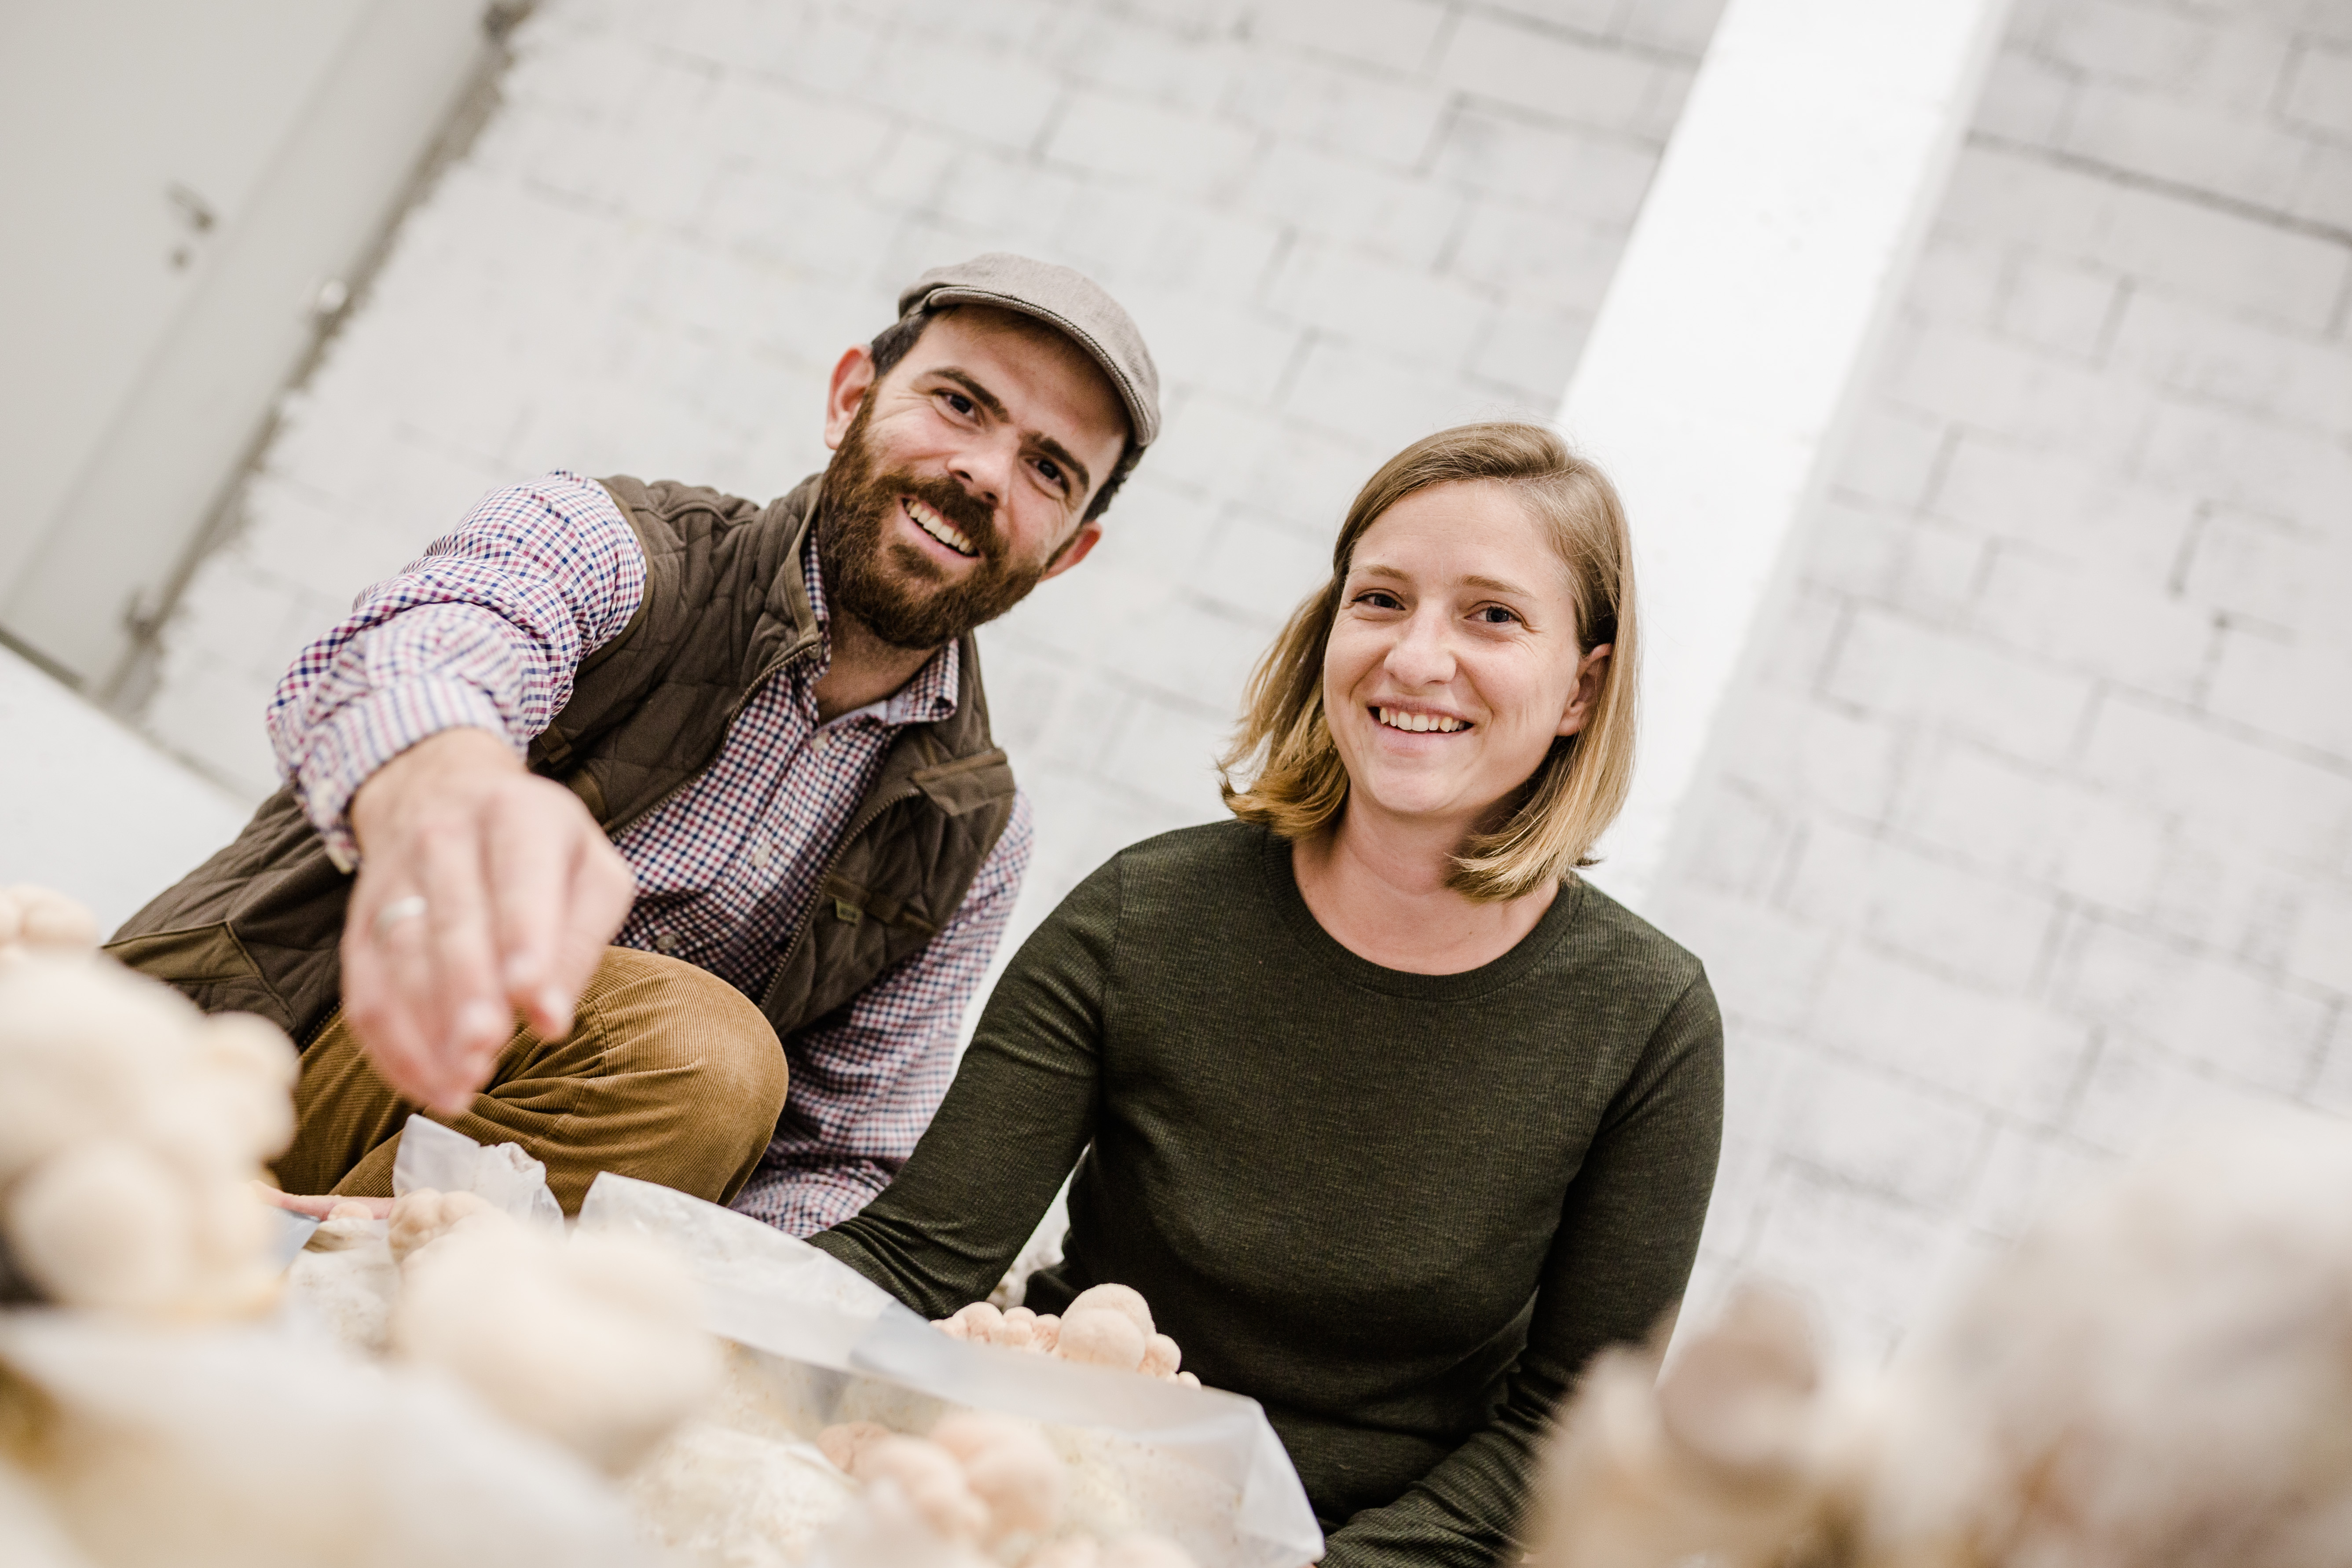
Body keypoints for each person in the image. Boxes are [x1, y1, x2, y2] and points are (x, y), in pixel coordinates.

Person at [810, 421, 1724, 1568]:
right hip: (1061, 1489)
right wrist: (690, 1319)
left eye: (1490, 615)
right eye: (1381, 599)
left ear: (1582, 686)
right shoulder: (1147, 911)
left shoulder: (1647, 1021)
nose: (1415, 657)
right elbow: (916, 1256)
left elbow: (1563, 1433)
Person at [108, 254, 1160, 1232]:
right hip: (252, 1059)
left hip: (509, 1224)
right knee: (707, 1052)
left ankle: (350, 1296)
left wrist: (664, 1294)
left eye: (1049, 470)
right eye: (960, 403)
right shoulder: (616, 547)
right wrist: (450, 787)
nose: (983, 472)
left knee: (710, 1071)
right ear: (851, 400)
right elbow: (414, 655)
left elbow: (839, 1159)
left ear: (1069, 552)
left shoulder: (978, 831)